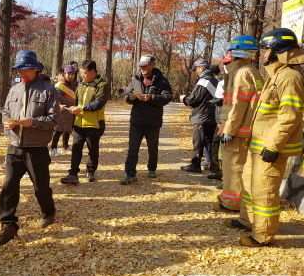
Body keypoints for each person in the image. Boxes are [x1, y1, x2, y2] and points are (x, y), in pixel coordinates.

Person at [226, 28, 304, 247]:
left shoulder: (290, 77)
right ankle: (247, 220)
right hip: (258, 144)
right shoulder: (276, 75)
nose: (262, 54)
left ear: (279, 51)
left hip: (270, 147)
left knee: (264, 191)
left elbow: (289, 115)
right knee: (249, 184)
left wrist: (273, 145)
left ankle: (262, 235)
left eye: (267, 49)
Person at [0, 50, 59, 248]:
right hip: (14, 146)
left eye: (25, 69)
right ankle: (8, 225)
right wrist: (7, 124)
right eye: (18, 69)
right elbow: (5, 111)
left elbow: (54, 119)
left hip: (36, 148)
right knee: (9, 185)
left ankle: (48, 211)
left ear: (36, 68)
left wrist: (33, 122)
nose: (21, 73)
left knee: (40, 187)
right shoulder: (15, 89)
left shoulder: (48, 90)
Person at [213, 36, 263, 213]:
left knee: (233, 168)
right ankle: (233, 200)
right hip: (243, 130)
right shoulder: (249, 70)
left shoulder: (242, 73)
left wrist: (230, 129)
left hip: (237, 132)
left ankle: (232, 202)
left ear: (237, 53)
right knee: (236, 168)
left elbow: (237, 105)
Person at [120, 55, 172, 184]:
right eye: (141, 66)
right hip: (136, 121)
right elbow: (127, 93)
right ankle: (130, 173)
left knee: (152, 148)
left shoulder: (162, 81)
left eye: (145, 65)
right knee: (133, 148)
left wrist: (151, 97)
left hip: (153, 122)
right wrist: (129, 98)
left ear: (152, 65)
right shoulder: (135, 79)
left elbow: (167, 98)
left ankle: (152, 169)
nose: (142, 68)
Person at [61, 60, 108, 185]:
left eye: (85, 73)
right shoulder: (81, 85)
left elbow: (98, 103)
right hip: (78, 123)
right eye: (81, 73)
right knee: (76, 148)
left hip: (94, 124)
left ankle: (91, 170)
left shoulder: (102, 85)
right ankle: (73, 174)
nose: (82, 76)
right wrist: (69, 107)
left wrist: (80, 108)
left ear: (93, 71)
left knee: (92, 149)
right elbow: (77, 102)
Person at [180, 58, 218, 173]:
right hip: (213, 116)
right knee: (209, 142)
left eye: (196, 69)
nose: (196, 71)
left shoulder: (203, 81)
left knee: (198, 141)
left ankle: (195, 165)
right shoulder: (215, 81)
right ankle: (213, 165)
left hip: (202, 116)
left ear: (201, 68)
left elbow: (194, 100)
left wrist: (184, 98)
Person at [50, 65, 78, 157]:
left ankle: (65, 146)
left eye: (72, 74)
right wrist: (73, 102)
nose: (70, 76)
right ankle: (53, 148)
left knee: (68, 129)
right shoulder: (60, 84)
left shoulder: (76, 84)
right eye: (68, 74)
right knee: (58, 130)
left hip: (72, 111)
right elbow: (59, 97)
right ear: (64, 74)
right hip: (63, 109)